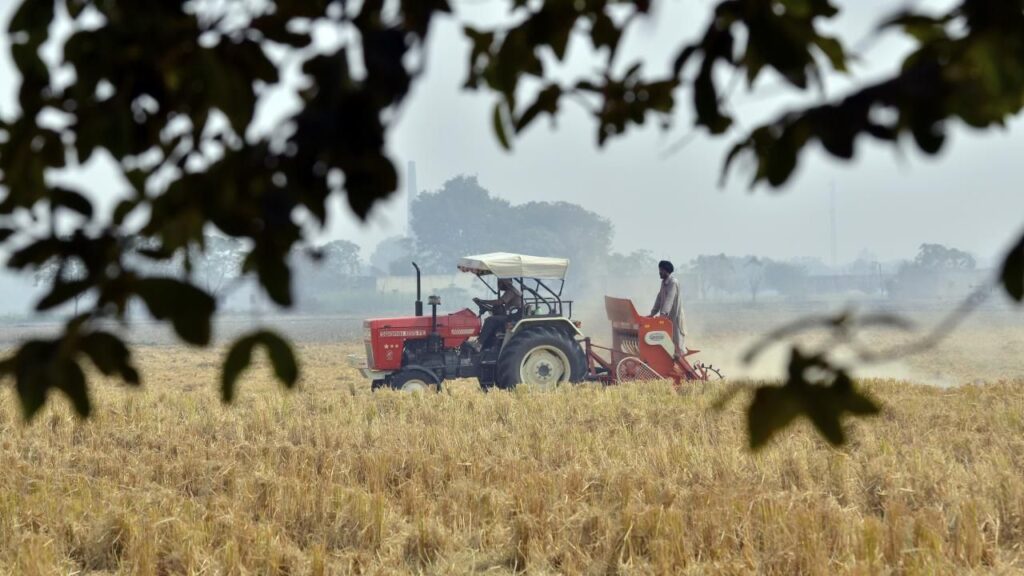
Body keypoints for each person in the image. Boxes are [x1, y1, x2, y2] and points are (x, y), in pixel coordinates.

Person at [651, 260, 687, 359]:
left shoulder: (673, 282)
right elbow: (659, 298)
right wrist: (652, 313)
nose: (659, 272)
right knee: (668, 341)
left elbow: (669, 299)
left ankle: (683, 367)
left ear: (667, 271)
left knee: (677, 342)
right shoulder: (663, 283)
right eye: (659, 270)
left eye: (661, 270)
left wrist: (663, 314)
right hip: (666, 318)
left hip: (675, 317)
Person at [474, 278, 523, 350]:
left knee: (489, 320)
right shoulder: (512, 291)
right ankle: (488, 345)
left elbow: (499, 302)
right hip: (511, 316)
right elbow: (499, 305)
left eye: (499, 283)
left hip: (513, 318)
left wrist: (483, 301)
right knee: (496, 312)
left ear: (504, 282)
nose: (498, 285)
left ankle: (479, 344)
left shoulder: (511, 291)